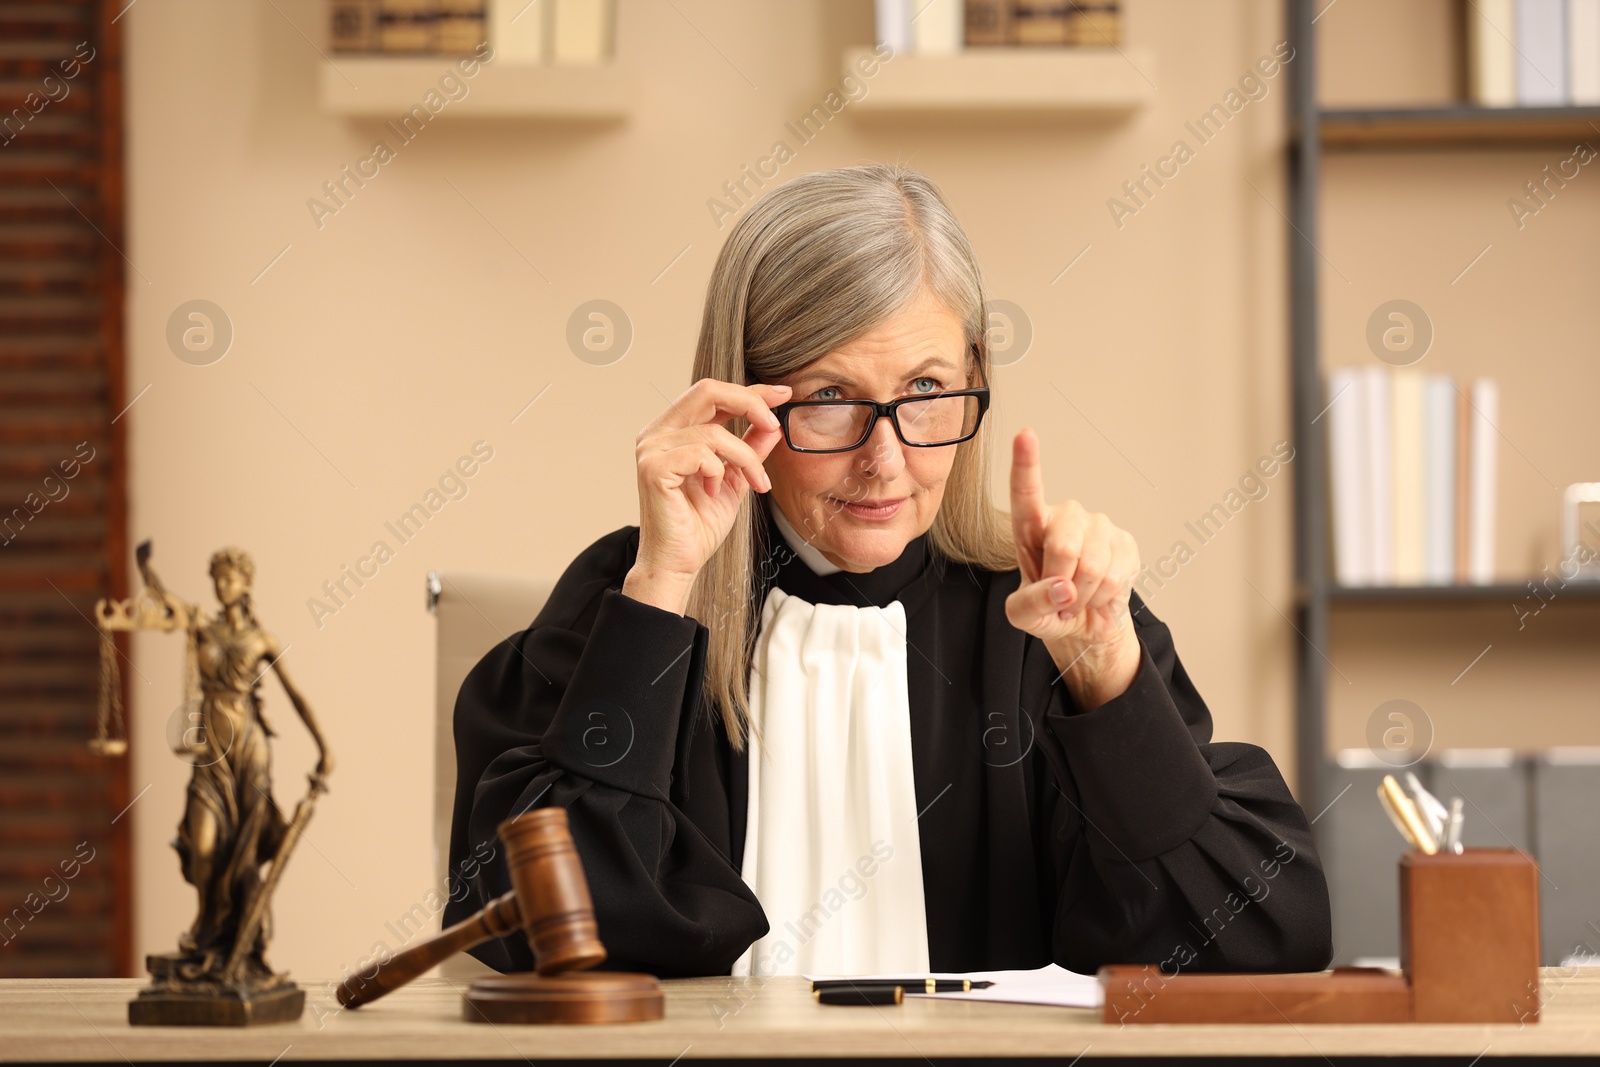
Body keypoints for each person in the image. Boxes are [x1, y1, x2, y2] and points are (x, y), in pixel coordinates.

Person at [445, 163, 1332, 979]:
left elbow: (1261, 940)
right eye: (831, 398)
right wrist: (663, 583)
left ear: (976, 377)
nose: (886, 459)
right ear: (737, 398)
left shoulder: (1045, 617)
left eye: (925, 391)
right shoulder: (631, 596)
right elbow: (525, 930)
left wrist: (1108, 679)